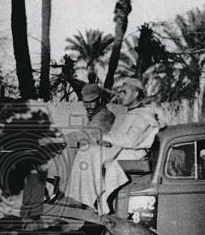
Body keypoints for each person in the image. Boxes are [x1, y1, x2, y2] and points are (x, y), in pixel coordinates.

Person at [65, 77, 161, 214]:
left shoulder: (144, 115)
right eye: (120, 92)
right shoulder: (130, 114)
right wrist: (105, 141)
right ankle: (85, 198)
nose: (120, 95)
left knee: (90, 154)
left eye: (124, 92)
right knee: (87, 151)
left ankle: (90, 201)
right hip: (122, 149)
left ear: (136, 94)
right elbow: (118, 137)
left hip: (133, 153)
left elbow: (131, 141)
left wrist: (105, 138)